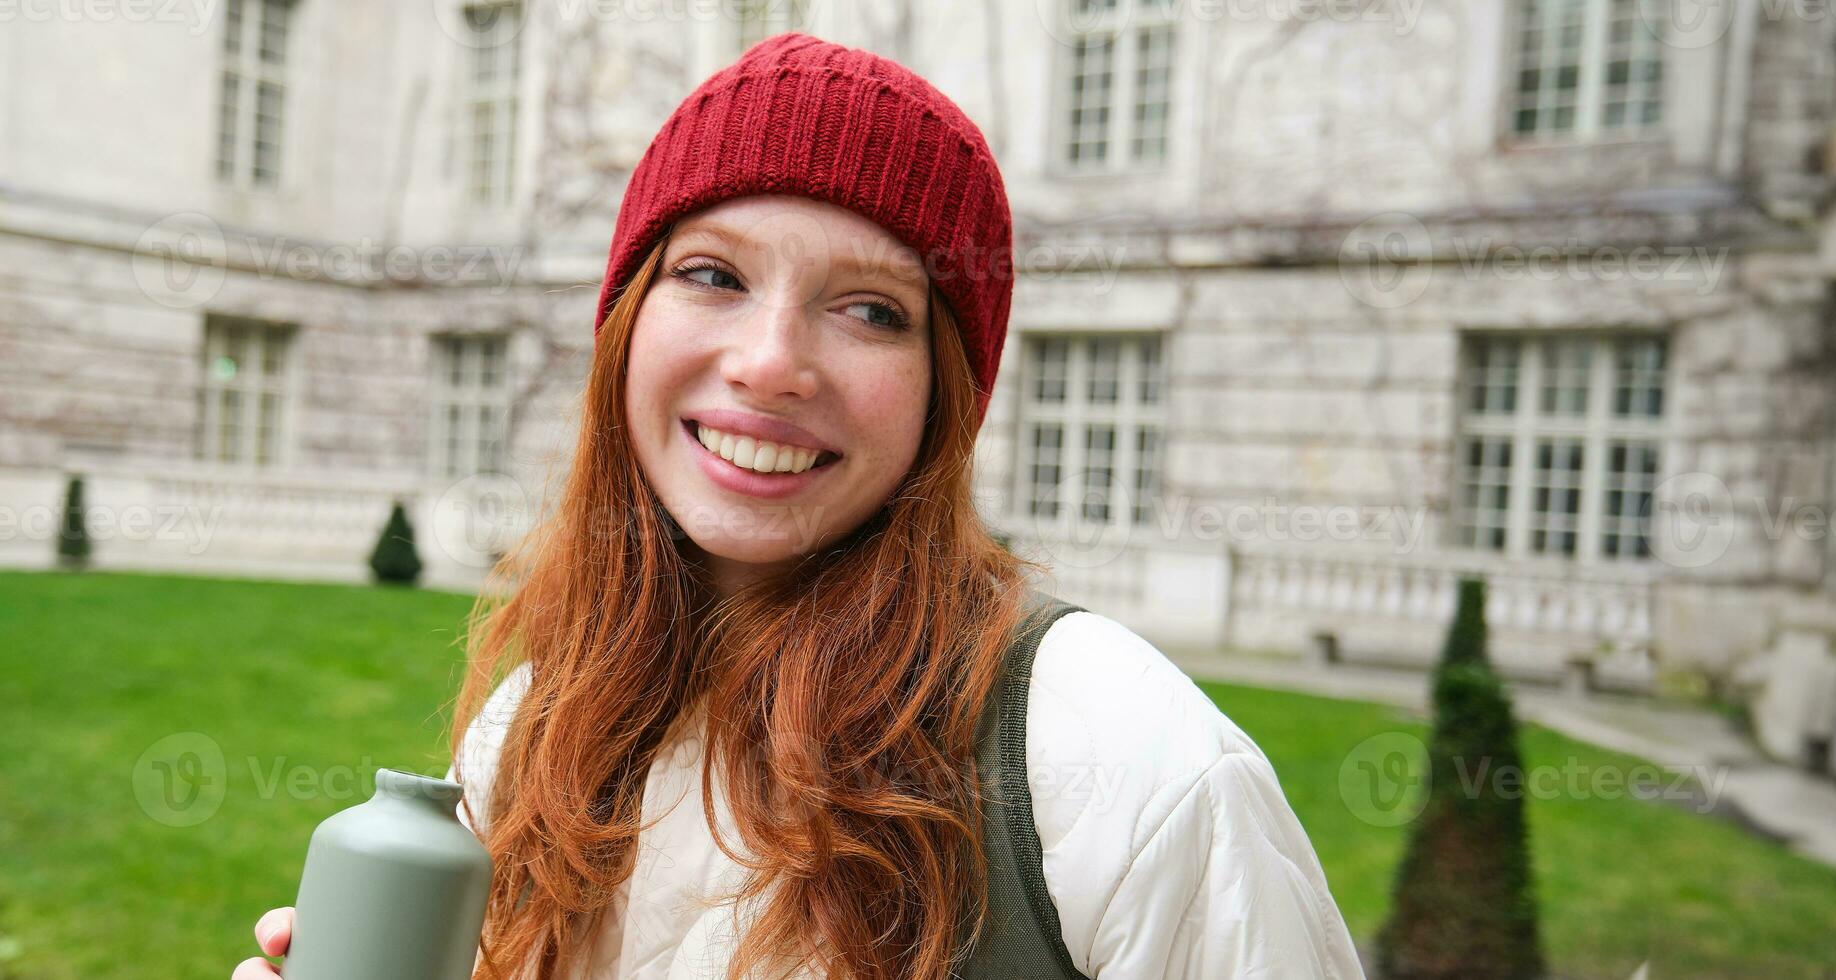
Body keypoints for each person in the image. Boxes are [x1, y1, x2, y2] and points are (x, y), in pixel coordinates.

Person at [237, 31, 1365, 980]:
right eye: (713, 275)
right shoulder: (534, 723)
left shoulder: (1115, 754)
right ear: (627, 322)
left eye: (870, 310)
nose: (770, 363)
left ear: (944, 391)